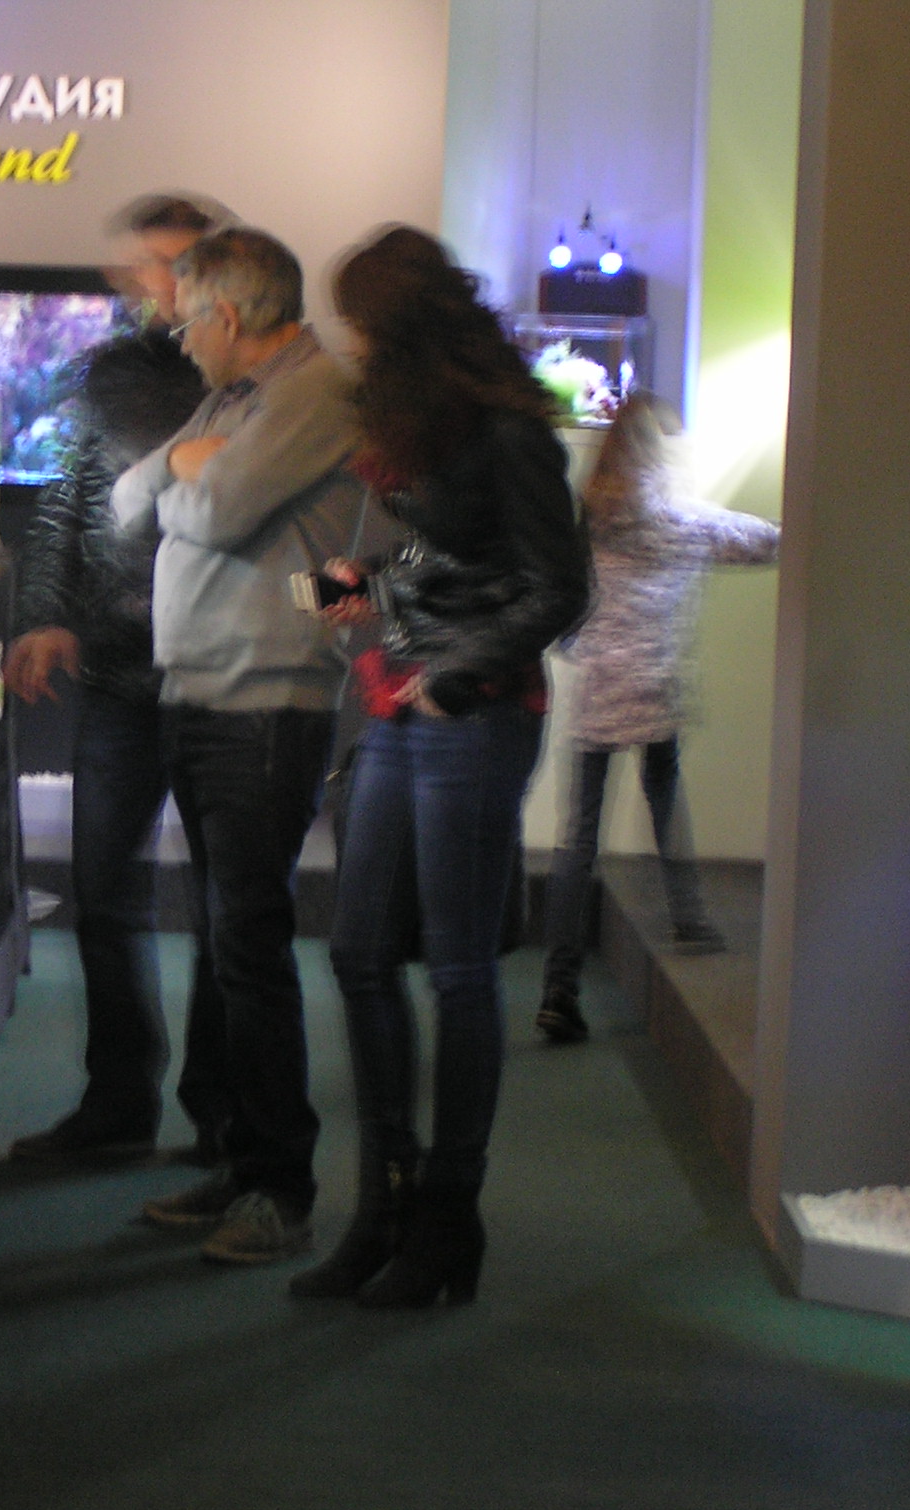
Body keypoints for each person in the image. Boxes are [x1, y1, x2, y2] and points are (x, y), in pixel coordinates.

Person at [295, 224, 590, 1307]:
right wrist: (362, 593)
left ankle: (445, 1215)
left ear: (400, 328)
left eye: (360, 325)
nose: (352, 346)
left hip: (470, 713)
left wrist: (457, 675)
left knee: (459, 970)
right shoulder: (436, 426)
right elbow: (441, 555)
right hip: (403, 700)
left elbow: (558, 588)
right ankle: (386, 1200)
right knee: (359, 953)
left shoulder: (509, 433)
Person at [110, 228, 364, 1265]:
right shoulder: (229, 402)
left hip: (263, 705)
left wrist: (180, 478)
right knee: (227, 950)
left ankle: (280, 1189)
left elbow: (210, 514)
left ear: (225, 315)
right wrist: (177, 460)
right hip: (207, 697)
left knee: (249, 952)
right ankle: (244, 1159)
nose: (177, 341)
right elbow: (127, 497)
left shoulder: (313, 391)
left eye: (184, 323)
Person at [4, 195, 216, 1168]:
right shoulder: (110, 376)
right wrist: (45, 615)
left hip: (223, 682)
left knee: (226, 915)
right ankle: (119, 1101)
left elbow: (318, 538)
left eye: (171, 263)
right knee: (104, 896)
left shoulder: (255, 383)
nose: (150, 283)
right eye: (143, 264)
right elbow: (63, 503)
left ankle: (224, 1115)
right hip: (120, 678)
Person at [535, 391, 779, 1044]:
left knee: (577, 840)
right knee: (665, 798)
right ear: (657, 450)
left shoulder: (588, 514)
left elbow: (561, 591)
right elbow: (758, 542)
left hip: (599, 689)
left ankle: (559, 987)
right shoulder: (679, 517)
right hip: (654, 685)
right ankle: (689, 919)